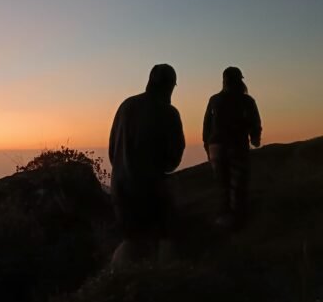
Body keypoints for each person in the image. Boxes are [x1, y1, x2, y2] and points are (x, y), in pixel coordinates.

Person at [109, 64, 185, 263]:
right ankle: (165, 280)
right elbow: (173, 159)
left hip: (120, 188)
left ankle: (116, 282)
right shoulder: (169, 113)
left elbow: (112, 150)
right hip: (149, 191)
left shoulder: (126, 105)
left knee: (131, 239)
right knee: (167, 236)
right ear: (170, 86)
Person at [203, 66, 262, 228]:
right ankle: (237, 221)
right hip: (236, 145)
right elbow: (254, 122)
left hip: (215, 146)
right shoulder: (246, 100)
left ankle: (223, 218)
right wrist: (255, 138)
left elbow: (206, 126)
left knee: (222, 183)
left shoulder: (214, 100)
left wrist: (207, 146)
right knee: (238, 183)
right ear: (239, 81)